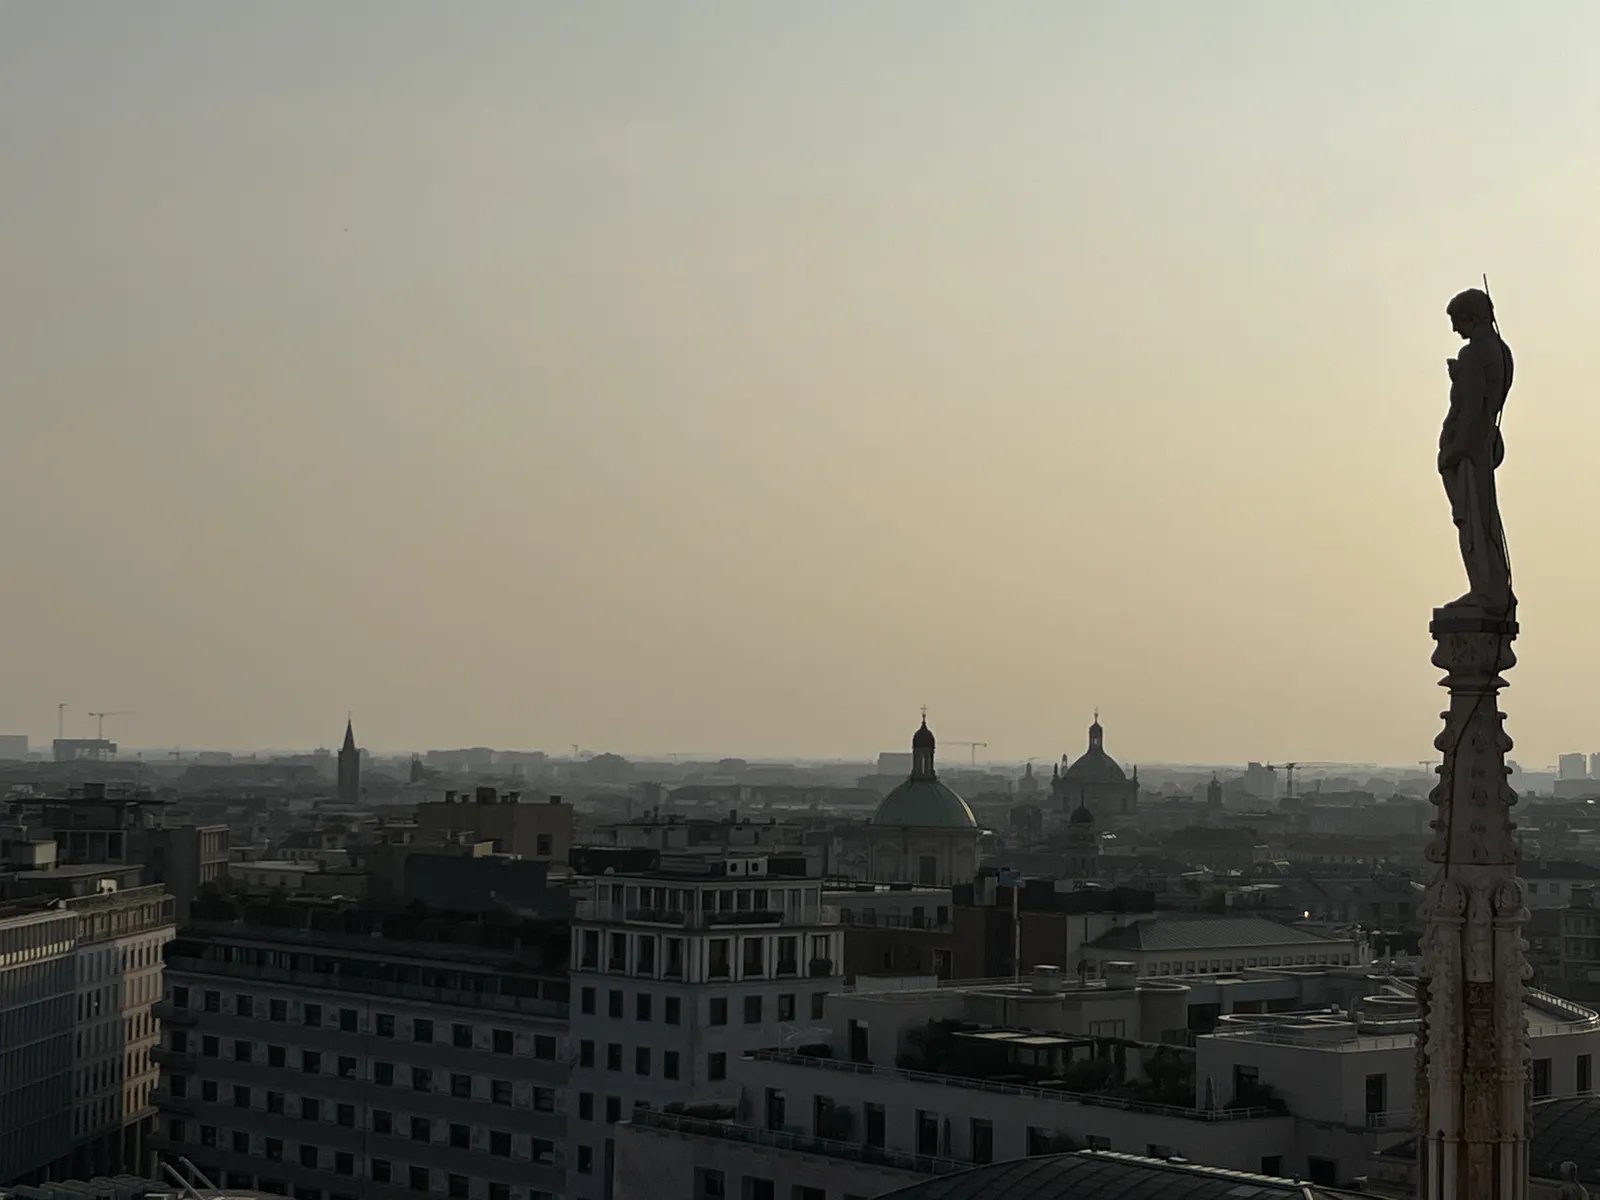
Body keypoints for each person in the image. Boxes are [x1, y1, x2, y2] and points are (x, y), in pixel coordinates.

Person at [1439, 288, 1515, 615]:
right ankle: (1492, 587)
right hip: (1485, 441)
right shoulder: (1502, 351)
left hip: (1471, 445)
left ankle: (1486, 590)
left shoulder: (1473, 354)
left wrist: (1454, 449)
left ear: (1474, 316)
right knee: (1483, 516)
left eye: (1458, 321)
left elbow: (1471, 407)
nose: (1456, 330)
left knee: (1473, 519)